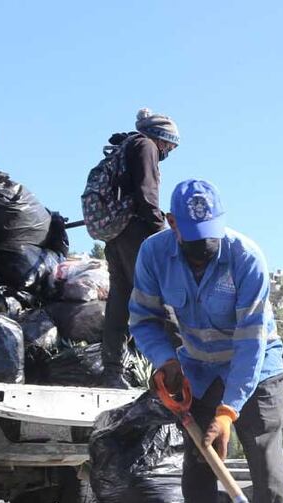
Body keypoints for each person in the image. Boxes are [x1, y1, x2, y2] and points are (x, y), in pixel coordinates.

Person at [128, 178, 283, 503]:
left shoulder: (245, 257)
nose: (205, 247)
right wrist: (167, 362)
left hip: (255, 368)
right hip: (198, 367)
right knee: (199, 466)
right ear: (172, 224)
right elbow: (143, 319)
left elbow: (252, 341)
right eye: (194, 237)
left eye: (210, 235)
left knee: (266, 467)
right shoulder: (153, 255)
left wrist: (229, 410)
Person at [101, 108, 181, 388]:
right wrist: (164, 233)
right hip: (136, 232)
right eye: (170, 144)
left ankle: (111, 370)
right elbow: (147, 195)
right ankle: (183, 364)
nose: (169, 150)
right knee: (160, 295)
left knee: (120, 302)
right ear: (161, 138)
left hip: (116, 234)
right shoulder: (145, 146)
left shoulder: (125, 146)